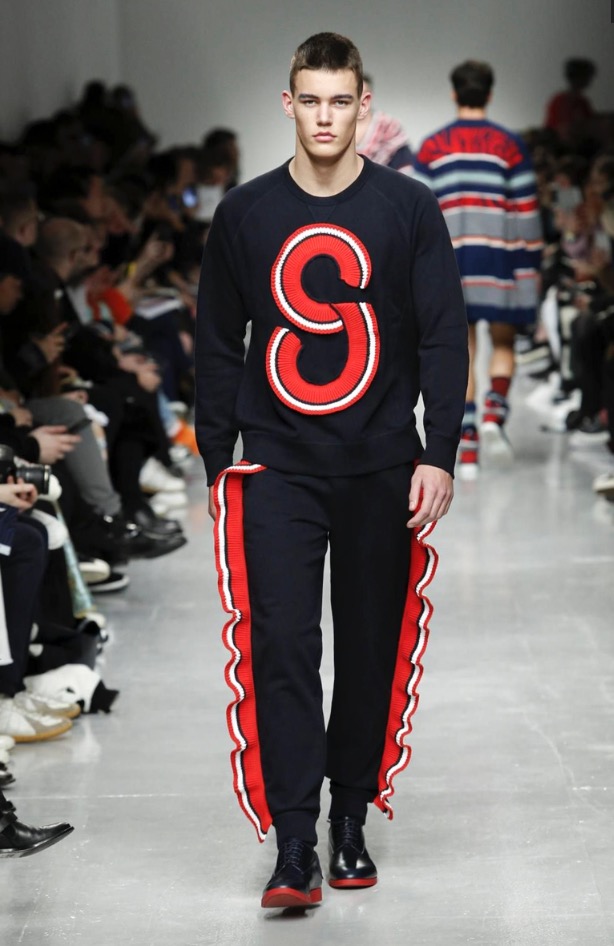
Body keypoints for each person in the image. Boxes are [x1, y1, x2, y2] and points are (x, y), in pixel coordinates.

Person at [195, 32, 467, 909]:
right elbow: (216, 344)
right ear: (288, 104)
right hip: (275, 466)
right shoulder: (244, 213)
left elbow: (443, 335)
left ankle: (349, 822)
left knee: (368, 646)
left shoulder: (408, 208)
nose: (324, 116)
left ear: (363, 104)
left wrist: (438, 452)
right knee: (282, 646)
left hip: (381, 464)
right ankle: (292, 843)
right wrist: (216, 461)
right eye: (310, 100)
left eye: (339, 101)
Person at [413, 61, 543, 477]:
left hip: (450, 261)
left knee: (462, 350)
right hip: (499, 258)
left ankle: (467, 444)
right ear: (489, 94)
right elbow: (526, 209)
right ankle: (493, 414)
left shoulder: (433, 147)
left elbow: (419, 211)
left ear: (455, 94)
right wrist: (532, 261)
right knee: (503, 341)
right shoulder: (509, 145)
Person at [355, 74, 413, 173]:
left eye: (365, 95)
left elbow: (404, 163)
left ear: (370, 96)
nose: (361, 99)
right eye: (356, 94)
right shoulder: (337, 125)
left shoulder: (388, 126)